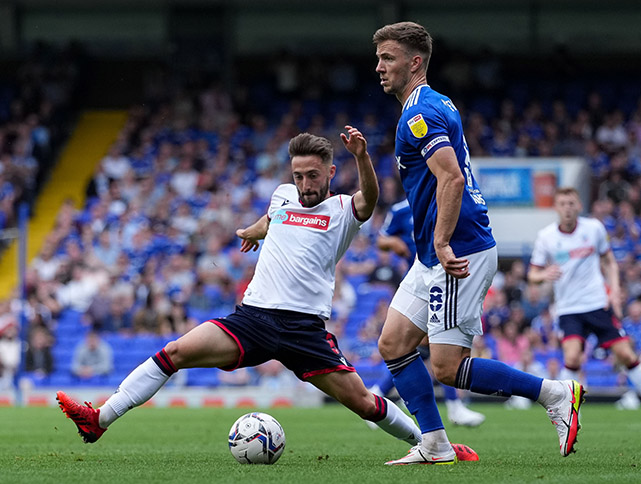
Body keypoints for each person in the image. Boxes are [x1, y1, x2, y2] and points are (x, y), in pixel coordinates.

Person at [56, 128, 474, 462]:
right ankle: (100, 419)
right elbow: (273, 215)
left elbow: (371, 198)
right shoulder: (282, 195)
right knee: (175, 353)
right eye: (298, 175)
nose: (305, 184)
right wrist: (253, 231)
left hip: (303, 329)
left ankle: (433, 445)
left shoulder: (344, 209)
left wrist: (362, 157)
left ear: (330, 173)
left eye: (313, 175)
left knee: (365, 402)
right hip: (252, 318)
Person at [373, 21, 584, 465]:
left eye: (388, 58)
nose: (379, 67)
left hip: (457, 249)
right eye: (378, 58)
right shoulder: (434, 103)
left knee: (447, 367)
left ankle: (554, 394)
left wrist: (444, 241)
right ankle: (434, 443)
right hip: (437, 252)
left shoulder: (419, 113)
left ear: (415, 62)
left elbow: (449, 177)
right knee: (393, 343)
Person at [528, 187, 641, 425]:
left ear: (579, 206)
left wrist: (615, 291)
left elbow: (609, 261)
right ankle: (565, 412)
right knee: (573, 358)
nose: (567, 208)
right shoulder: (546, 237)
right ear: (556, 208)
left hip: (597, 303)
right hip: (569, 308)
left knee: (626, 354)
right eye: (563, 204)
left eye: (571, 203)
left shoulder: (594, 229)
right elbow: (532, 275)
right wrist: (544, 274)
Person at [371, 198, 486, 427]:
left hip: (441, 278)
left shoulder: (449, 201)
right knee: (436, 341)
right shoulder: (401, 209)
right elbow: (382, 240)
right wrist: (394, 243)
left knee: (428, 345)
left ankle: (380, 394)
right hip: (418, 280)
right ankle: (452, 407)